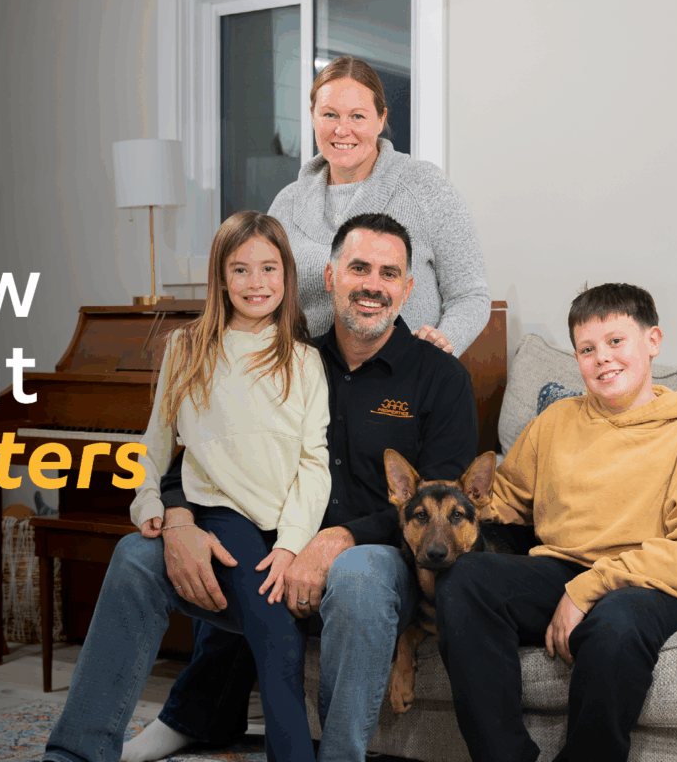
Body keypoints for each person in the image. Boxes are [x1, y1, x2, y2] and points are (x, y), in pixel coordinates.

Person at [119, 212, 478, 762]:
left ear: (407, 289)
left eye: (388, 273)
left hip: (380, 553)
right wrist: (177, 512)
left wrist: (336, 539)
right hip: (280, 529)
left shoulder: (442, 378)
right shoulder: (287, 354)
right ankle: (192, 715)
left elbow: (441, 511)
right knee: (238, 548)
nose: (372, 285)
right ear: (331, 277)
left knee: (356, 576)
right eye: (359, 268)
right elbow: (202, 453)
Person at [43, 210, 331, 762]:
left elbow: (313, 463)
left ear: (287, 276)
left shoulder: (304, 361)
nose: (256, 283)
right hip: (219, 517)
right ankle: (73, 754)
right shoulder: (188, 347)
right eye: (240, 270)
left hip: (278, 533)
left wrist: (293, 542)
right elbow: (154, 443)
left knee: (277, 638)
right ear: (221, 279)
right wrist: (148, 501)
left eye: (269, 269)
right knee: (277, 637)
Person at [437, 283, 677, 762]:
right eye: (587, 349)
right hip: (564, 567)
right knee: (465, 578)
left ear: (652, 341)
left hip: (662, 582)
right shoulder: (556, 421)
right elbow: (504, 500)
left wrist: (587, 590)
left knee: (613, 623)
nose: (603, 359)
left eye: (616, 342)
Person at [269, 55, 490, 357]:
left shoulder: (425, 186)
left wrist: (437, 350)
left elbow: (470, 294)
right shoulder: (286, 204)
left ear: (381, 119)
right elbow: (271, 300)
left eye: (357, 116)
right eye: (330, 115)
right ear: (312, 116)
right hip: (308, 384)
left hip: (405, 380)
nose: (342, 129)